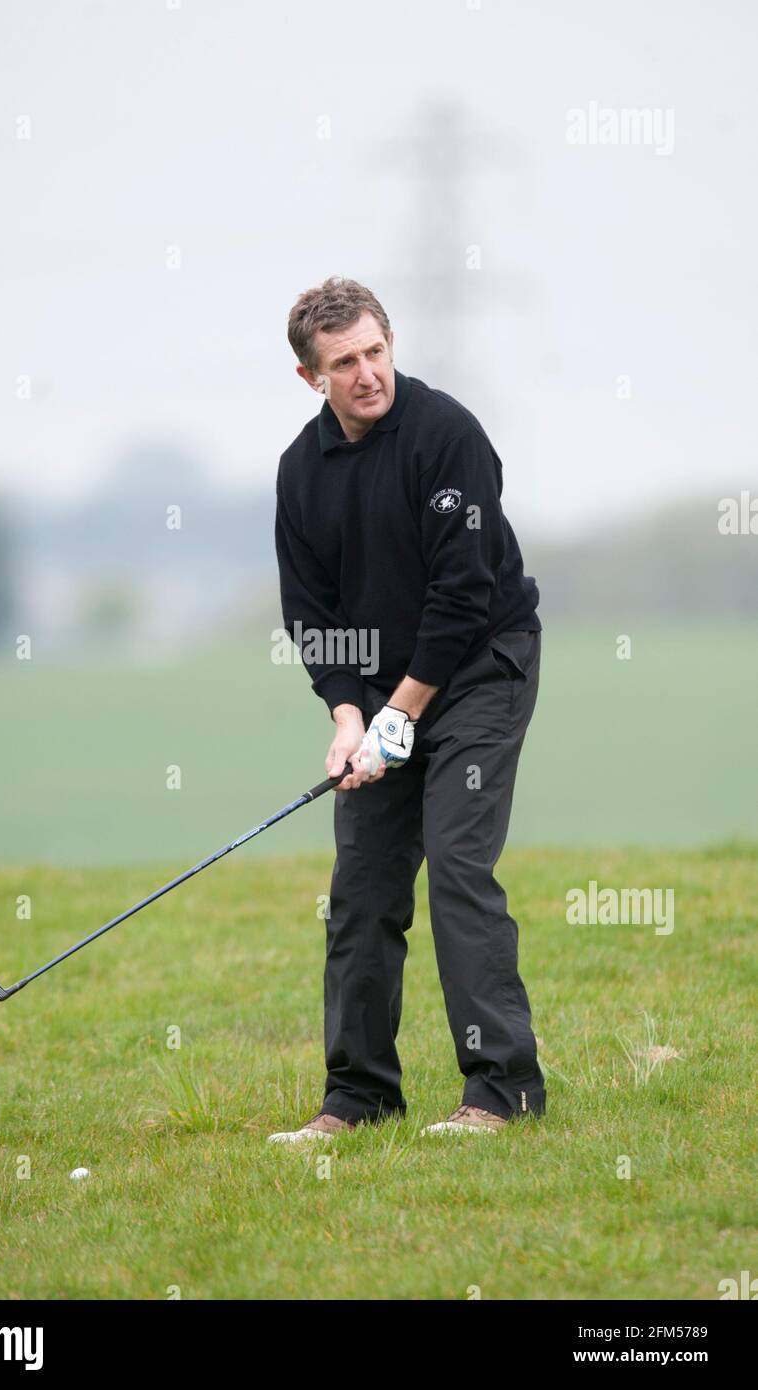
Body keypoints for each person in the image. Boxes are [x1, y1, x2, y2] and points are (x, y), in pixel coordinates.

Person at [268, 276, 545, 1144]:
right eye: (343, 362)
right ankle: (358, 1097)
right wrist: (350, 719)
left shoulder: (445, 435)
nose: (366, 374)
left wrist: (405, 712)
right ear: (312, 377)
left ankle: (502, 1093)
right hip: (384, 695)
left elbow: (462, 597)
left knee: (460, 869)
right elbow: (311, 615)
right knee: (361, 889)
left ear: (392, 345)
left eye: (376, 352)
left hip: (480, 670)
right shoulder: (299, 473)